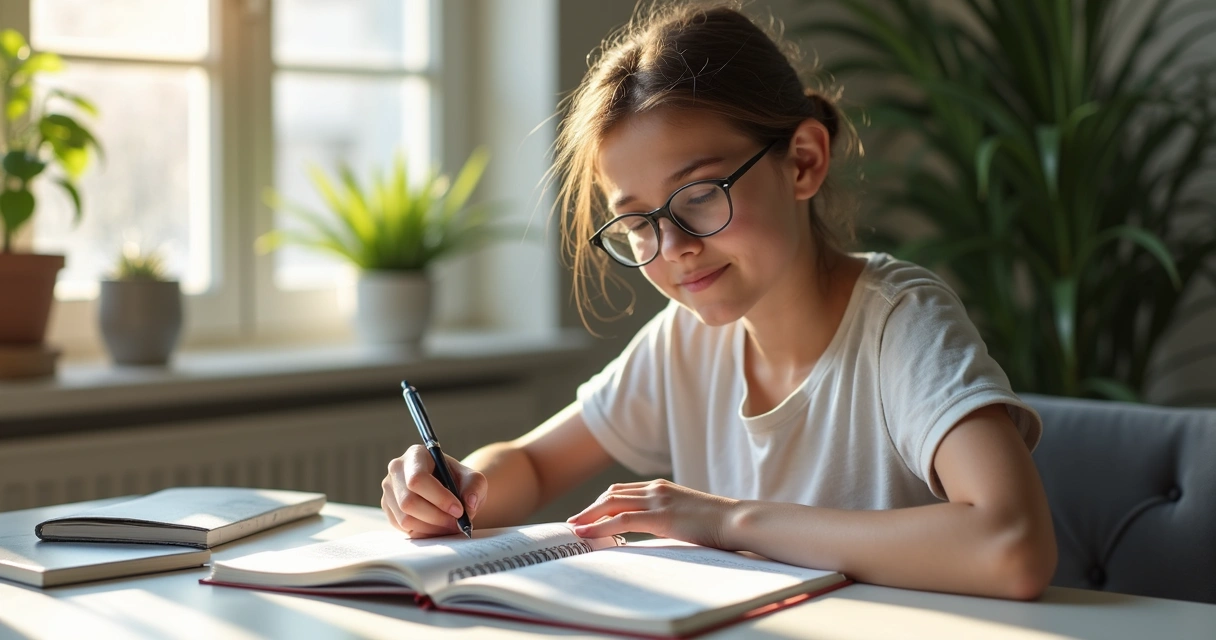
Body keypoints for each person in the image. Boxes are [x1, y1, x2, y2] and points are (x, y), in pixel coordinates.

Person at [381, 1, 1057, 600]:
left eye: (700, 194)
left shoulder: (898, 323)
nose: (671, 246)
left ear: (802, 162)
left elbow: (1013, 547)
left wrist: (728, 519)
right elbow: (530, 464)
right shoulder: (687, 340)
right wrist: (455, 486)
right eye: (639, 222)